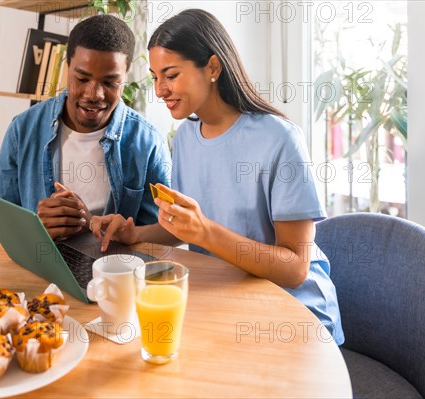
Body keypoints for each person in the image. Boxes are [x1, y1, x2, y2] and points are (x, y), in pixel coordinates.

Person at [91, 9, 344, 345]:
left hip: (294, 314)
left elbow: (296, 267)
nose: (160, 90)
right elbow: (181, 225)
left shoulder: (279, 139)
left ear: (212, 67)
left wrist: (206, 233)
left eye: (171, 74)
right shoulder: (184, 137)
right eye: (154, 77)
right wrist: (132, 233)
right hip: (229, 300)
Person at [0, 14, 171, 242]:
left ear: (126, 77)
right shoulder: (22, 130)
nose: (94, 94)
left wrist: (106, 231)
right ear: (67, 67)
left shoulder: (148, 142)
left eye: (110, 82)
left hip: (113, 273)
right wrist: (35, 229)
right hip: (41, 270)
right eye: (82, 79)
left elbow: (162, 236)